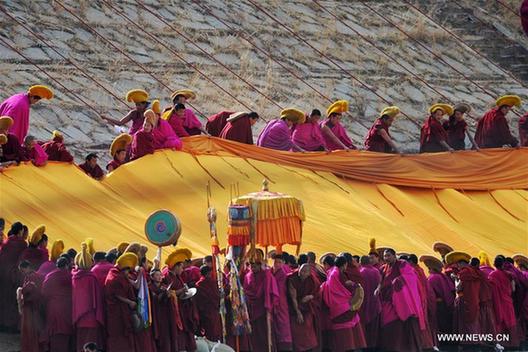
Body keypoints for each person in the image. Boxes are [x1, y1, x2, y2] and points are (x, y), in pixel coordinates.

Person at [378, 248, 425, 352]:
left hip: (401, 301)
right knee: (387, 324)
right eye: (385, 256)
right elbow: (380, 281)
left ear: (394, 256)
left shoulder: (402, 264)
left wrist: (397, 281)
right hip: (387, 301)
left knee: (399, 326)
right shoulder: (383, 268)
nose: (386, 258)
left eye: (389, 255)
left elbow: (410, 277)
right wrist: (378, 288)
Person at [320, 255, 366, 352]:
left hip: (335, 305)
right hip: (344, 306)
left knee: (344, 333)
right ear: (345, 264)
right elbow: (347, 283)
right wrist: (356, 285)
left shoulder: (332, 272)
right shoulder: (338, 273)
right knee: (348, 333)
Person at [163, 248, 198, 352]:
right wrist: (182, 290)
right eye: (181, 267)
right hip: (173, 311)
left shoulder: (177, 277)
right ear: (176, 266)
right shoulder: (167, 276)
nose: (183, 270)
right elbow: (168, 293)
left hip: (182, 308)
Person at [73, 243, 105, 351]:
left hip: (79, 319)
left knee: (81, 346)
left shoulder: (74, 278)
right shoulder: (92, 278)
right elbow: (97, 300)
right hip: (92, 319)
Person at [105, 253, 139, 352]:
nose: (128, 273)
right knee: (119, 336)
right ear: (124, 269)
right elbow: (116, 294)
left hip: (120, 311)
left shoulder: (115, 273)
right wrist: (129, 302)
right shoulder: (116, 277)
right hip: (117, 312)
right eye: (128, 270)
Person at [244, 257, 279, 352]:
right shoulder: (247, 276)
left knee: (264, 334)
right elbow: (246, 290)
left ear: (260, 265)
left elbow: (273, 292)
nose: (252, 268)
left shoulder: (266, 276)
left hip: (263, 309)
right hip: (251, 309)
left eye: (255, 266)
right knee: (254, 334)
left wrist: (270, 303)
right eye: (251, 266)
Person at [447, 251, 482, 345]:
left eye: (458, 263)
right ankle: (475, 341)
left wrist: (455, 279)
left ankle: (467, 343)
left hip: (464, 300)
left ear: (463, 263)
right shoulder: (476, 272)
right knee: (473, 321)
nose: (457, 266)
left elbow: (458, 288)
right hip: (474, 299)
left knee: (465, 322)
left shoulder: (463, 273)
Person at [41, 256, 73, 352]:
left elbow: (44, 292)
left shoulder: (50, 276)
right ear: (67, 266)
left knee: (54, 331)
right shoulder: (71, 276)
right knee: (65, 331)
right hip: (67, 307)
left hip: (53, 307)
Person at [0, 222, 27, 332]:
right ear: (20, 231)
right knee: (13, 300)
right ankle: (11, 326)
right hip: (14, 275)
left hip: (2, 272)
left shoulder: (6, 242)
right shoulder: (22, 244)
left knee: (3, 298)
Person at [287, 263, 319, 352]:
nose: (302, 274)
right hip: (294, 308)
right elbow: (293, 298)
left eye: (305, 272)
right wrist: (298, 312)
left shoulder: (312, 280)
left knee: (309, 331)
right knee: (297, 332)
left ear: (309, 273)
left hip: (307, 307)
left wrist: (311, 296)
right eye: (301, 271)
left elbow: (318, 291)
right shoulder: (292, 278)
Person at [420, 255, 454, 339]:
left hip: (438, 305)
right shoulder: (442, 276)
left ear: (431, 268)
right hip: (446, 303)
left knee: (441, 323)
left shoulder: (432, 278)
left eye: (429, 268)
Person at [489, 255, 519, 348]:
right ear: (503, 265)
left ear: (494, 264)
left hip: (498, 301)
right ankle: (513, 344)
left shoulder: (492, 275)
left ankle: (502, 344)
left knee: (500, 321)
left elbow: (491, 291)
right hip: (508, 301)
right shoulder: (509, 275)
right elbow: (513, 289)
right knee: (510, 321)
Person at [19, 259, 45, 352]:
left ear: (28, 267)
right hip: (34, 307)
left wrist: (20, 292)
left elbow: (29, 291)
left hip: (31, 308)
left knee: (31, 330)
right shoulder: (35, 276)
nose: (22, 273)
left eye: (23, 270)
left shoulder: (31, 277)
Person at [359, 255, 381, 351]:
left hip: (364, 304)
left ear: (361, 262)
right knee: (374, 329)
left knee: (365, 329)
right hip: (375, 303)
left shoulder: (361, 272)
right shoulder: (376, 271)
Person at [271, 253, 293, 351]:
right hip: (273, 301)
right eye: (275, 262)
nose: (277, 264)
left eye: (279, 262)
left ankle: (285, 347)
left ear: (283, 263)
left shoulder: (283, 274)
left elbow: (278, 288)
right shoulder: (271, 272)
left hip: (281, 302)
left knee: (283, 325)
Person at [195, 265, 223, 342]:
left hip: (204, 313)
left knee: (207, 333)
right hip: (214, 311)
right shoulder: (213, 282)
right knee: (215, 332)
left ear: (200, 273)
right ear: (209, 273)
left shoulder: (198, 284)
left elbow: (198, 301)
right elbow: (217, 296)